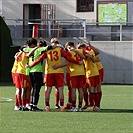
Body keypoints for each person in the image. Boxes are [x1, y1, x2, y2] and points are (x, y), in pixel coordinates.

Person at [27, 41, 82, 112]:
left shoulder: (47, 50)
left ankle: (47, 107)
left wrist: (30, 66)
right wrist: (77, 62)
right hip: (59, 72)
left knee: (48, 90)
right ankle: (61, 107)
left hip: (49, 72)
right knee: (60, 90)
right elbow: (68, 58)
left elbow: (39, 59)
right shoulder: (60, 50)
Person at [24, 38, 53, 111]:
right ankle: (34, 106)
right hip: (37, 71)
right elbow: (50, 47)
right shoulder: (39, 50)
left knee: (33, 89)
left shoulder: (28, 50)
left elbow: (22, 49)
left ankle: (31, 104)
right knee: (37, 90)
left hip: (30, 72)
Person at [76, 42, 100, 111]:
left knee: (91, 89)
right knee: (94, 89)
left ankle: (91, 106)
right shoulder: (91, 51)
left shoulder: (85, 52)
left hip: (90, 73)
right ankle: (95, 106)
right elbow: (97, 53)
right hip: (95, 72)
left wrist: (76, 51)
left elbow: (85, 57)